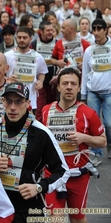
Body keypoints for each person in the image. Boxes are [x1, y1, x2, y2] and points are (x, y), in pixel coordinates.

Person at [0, 82, 70, 222]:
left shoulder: (41, 133)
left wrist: (40, 187)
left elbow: (62, 171)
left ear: (28, 103)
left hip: (28, 206)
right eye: (9, 101)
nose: (13, 107)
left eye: (19, 102)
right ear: (3, 101)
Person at [42, 67, 106, 222]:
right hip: (53, 175)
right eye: (65, 83)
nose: (69, 87)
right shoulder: (45, 111)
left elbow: (103, 141)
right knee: (54, 218)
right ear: (58, 87)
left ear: (78, 88)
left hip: (78, 177)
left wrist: (84, 137)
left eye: (73, 83)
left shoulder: (88, 113)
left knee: (77, 217)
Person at [81, 18, 111, 165]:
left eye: (100, 29)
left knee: (109, 123)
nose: (97, 32)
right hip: (93, 92)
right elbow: (85, 73)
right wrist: (83, 95)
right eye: (95, 29)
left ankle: (109, 144)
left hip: (109, 92)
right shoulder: (89, 50)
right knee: (94, 124)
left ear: (105, 30)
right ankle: (96, 153)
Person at [5, 26, 48, 114]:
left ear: (30, 39)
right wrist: (8, 79)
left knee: (29, 125)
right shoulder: (7, 55)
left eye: (25, 38)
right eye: (19, 37)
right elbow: (0, 74)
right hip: (11, 98)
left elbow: (42, 72)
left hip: (31, 100)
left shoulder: (38, 57)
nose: (21, 40)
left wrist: (40, 81)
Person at [30, 21, 57, 122]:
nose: (50, 32)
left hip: (54, 83)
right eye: (48, 30)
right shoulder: (34, 44)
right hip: (39, 83)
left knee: (53, 108)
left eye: (52, 30)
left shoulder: (57, 42)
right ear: (41, 32)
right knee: (40, 109)